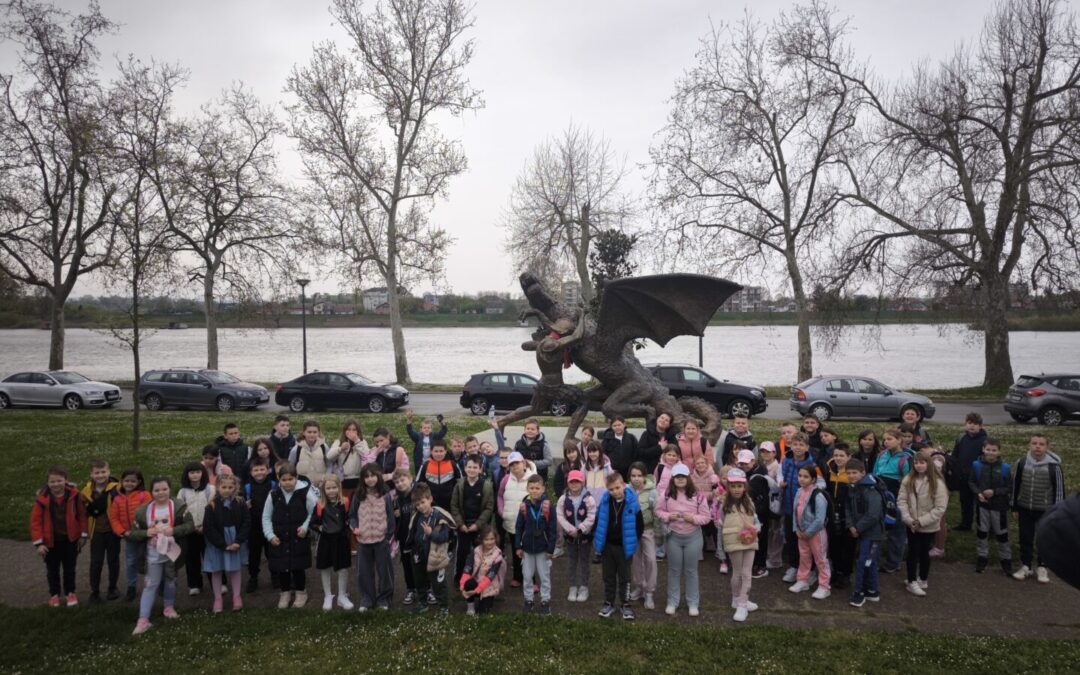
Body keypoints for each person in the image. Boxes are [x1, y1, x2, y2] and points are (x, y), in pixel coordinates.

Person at [130, 476, 195, 635]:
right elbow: (133, 533)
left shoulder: (179, 506)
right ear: (151, 492)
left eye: (164, 489)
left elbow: (190, 526)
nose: (161, 493)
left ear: (170, 489)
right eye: (157, 490)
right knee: (150, 584)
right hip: (152, 556)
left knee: (171, 581)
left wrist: (174, 531)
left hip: (172, 554)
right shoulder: (142, 511)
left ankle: (169, 607)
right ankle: (143, 619)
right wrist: (146, 532)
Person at [655, 464, 710, 617]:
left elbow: (706, 517)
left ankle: (693, 603)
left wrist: (693, 518)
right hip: (673, 537)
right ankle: (672, 601)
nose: (680, 479)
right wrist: (667, 516)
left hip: (693, 537)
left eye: (683, 476)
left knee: (691, 571)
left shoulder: (698, 496)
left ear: (688, 478)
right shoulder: (666, 495)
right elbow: (659, 511)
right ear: (673, 478)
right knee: (674, 570)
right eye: (677, 477)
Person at [1011, 434, 1066, 583]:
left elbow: (1059, 491)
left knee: (1044, 539)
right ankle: (1026, 566)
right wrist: (1014, 506)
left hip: (1045, 510)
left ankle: (1042, 566)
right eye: (1034, 443)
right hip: (1024, 508)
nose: (1037, 446)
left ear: (1047, 448)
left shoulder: (1054, 467)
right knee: (1025, 538)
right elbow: (1016, 485)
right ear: (1029, 445)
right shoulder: (1021, 463)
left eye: (1041, 444)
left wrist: (1057, 512)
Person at [262, 462, 317, 609]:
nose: (287, 483)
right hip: (279, 538)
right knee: (282, 567)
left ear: (296, 478)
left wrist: (305, 527)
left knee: (298, 567)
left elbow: (314, 512)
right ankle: (285, 592)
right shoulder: (273, 494)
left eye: (290, 479)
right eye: (284, 480)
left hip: (298, 537)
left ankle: (301, 592)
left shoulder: (305, 493)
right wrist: (270, 535)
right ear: (278, 479)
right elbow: (266, 517)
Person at [31, 466, 87, 607]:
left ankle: (70, 593)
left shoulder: (74, 496)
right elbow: (35, 522)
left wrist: (83, 534)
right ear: (48, 483)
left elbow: (82, 516)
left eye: (59, 481)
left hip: (70, 540)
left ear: (66, 481)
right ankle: (54, 594)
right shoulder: (42, 500)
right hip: (51, 542)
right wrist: (39, 543)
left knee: (69, 569)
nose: (56, 484)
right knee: (52, 570)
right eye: (52, 482)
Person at [594, 471, 643, 621]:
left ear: (623, 485)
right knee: (608, 577)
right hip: (608, 547)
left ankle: (625, 605)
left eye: (617, 487)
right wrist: (599, 544)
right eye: (611, 489)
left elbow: (639, 526)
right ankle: (609, 603)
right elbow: (599, 522)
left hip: (624, 548)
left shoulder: (632, 503)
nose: (615, 492)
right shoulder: (604, 502)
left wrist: (632, 542)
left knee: (625, 578)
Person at [898, 454, 949, 596]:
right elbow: (901, 501)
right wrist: (909, 519)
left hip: (928, 525)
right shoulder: (908, 480)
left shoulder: (937, 483)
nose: (919, 465)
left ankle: (923, 578)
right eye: (916, 463)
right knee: (913, 552)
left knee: (924, 552)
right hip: (912, 524)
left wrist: (922, 521)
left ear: (929, 464)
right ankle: (911, 580)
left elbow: (940, 508)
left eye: (922, 462)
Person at [349, 465, 395, 611]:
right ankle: (367, 599)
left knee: (385, 571)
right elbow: (352, 516)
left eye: (373, 475)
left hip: (381, 540)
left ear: (379, 476)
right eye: (366, 477)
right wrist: (355, 527)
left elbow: (391, 516)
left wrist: (388, 536)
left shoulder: (386, 494)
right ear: (362, 479)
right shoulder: (358, 495)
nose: (370, 479)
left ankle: (384, 599)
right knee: (364, 572)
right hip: (363, 541)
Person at [201, 474, 250, 613]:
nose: (227, 490)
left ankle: (236, 596)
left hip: (235, 541)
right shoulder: (211, 505)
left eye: (230, 487)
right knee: (216, 570)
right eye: (224, 487)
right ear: (217, 487)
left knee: (235, 569)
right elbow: (208, 527)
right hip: (218, 543)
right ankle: (217, 598)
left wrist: (238, 541)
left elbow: (246, 522)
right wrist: (222, 544)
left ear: (235, 487)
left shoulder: (240, 503)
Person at [405, 482, 456, 614]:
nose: (420, 507)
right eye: (417, 505)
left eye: (423, 502)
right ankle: (423, 604)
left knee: (439, 584)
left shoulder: (440, 517)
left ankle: (444, 607)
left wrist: (431, 533)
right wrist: (410, 548)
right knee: (420, 581)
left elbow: (444, 537)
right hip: (419, 555)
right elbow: (412, 534)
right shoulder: (416, 517)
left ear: (430, 499)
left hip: (435, 557)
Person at [719, 468, 760, 622]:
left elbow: (755, 520)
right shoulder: (723, 504)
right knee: (737, 572)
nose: (737, 489)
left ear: (745, 487)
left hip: (750, 540)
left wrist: (757, 528)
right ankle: (736, 598)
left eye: (740, 486)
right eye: (733, 486)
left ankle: (742, 603)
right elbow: (721, 525)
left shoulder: (749, 502)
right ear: (728, 487)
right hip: (734, 541)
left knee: (747, 572)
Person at [779, 432, 820, 583]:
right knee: (791, 539)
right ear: (791, 445)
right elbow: (780, 476)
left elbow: (819, 484)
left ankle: (811, 570)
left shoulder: (812, 465)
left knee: (807, 542)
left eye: (801, 445)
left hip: (805, 511)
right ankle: (794, 566)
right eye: (795, 444)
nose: (798, 447)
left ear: (807, 447)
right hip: (789, 507)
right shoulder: (786, 461)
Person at [515, 474, 557, 615]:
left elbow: (552, 529)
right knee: (527, 576)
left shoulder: (548, 506)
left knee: (544, 577)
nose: (534, 491)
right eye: (531, 488)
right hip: (526, 548)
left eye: (537, 488)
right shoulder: (524, 506)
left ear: (543, 489)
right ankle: (528, 600)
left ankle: (545, 601)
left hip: (543, 549)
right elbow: (518, 527)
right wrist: (518, 546)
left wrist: (551, 549)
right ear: (527, 489)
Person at [845, 459, 884, 607]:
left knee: (864, 562)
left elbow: (873, 514)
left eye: (854, 473)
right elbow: (848, 508)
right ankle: (872, 590)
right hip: (860, 532)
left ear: (863, 472)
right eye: (848, 473)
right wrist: (851, 525)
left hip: (873, 534)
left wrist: (857, 528)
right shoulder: (852, 488)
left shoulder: (871, 490)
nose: (851, 476)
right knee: (869, 561)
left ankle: (859, 592)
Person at [310, 473, 352, 611]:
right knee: (325, 567)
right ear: (323, 490)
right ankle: (328, 595)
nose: (331, 491)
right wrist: (320, 528)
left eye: (334, 487)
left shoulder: (345, 502)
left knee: (343, 568)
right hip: (326, 540)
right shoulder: (319, 504)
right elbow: (313, 522)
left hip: (341, 540)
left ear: (339, 488)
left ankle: (342, 596)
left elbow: (349, 518)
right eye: (328, 488)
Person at [970, 438, 1012, 574]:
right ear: (983, 449)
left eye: (994, 450)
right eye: (988, 450)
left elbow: (1009, 487)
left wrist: (994, 492)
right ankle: (982, 557)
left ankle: (1006, 560)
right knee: (982, 532)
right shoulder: (976, 465)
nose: (991, 453)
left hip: (1000, 507)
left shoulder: (1005, 468)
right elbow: (971, 482)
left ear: (999, 452)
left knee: (1002, 534)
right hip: (983, 506)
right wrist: (978, 493)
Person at [80, 459, 120, 603]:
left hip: (112, 531)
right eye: (97, 473)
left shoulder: (116, 489)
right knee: (96, 562)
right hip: (96, 532)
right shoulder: (86, 491)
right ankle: (94, 591)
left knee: (113, 560)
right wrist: (83, 533)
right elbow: (83, 512)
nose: (100, 475)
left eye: (103, 472)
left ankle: (112, 588)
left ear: (109, 472)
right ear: (91, 474)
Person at [873, 429, 912, 573]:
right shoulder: (882, 454)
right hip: (880, 495)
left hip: (896, 497)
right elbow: (875, 472)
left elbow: (908, 482)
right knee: (879, 528)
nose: (886, 442)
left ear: (899, 440)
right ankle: (875, 559)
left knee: (897, 531)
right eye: (884, 439)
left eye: (890, 439)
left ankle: (894, 562)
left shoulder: (906, 459)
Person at [451, 456, 494, 586]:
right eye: (469, 467)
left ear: (481, 469)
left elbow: (489, 507)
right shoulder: (459, 485)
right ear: (464, 468)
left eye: (475, 467)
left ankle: (479, 579)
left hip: (479, 526)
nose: (472, 469)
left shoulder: (486, 486)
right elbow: (454, 506)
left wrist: (478, 524)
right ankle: (459, 579)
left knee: (480, 554)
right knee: (461, 553)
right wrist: (460, 524)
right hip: (463, 526)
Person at [790, 466, 831, 600]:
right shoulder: (799, 491)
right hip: (801, 532)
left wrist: (808, 533)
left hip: (816, 533)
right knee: (804, 557)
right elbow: (795, 512)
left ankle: (824, 586)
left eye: (806, 476)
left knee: (820, 559)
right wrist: (797, 529)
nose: (802, 479)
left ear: (813, 479)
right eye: (800, 475)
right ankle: (803, 580)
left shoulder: (818, 495)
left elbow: (820, 519)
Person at [110, 468, 151, 601]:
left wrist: (146, 530)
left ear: (139, 482)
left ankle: (152, 584)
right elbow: (114, 518)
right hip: (129, 536)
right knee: (131, 561)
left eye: (133, 481)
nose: (129, 484)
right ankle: (131, 586)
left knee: (149, 560)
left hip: (145, 535)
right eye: (126, 481)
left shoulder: (144, 495)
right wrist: (122, 531)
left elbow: (150, 512)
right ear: (122, 482)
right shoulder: (117, 499)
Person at [557, 469, 597, 603]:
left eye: (577, 482)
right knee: (572, 561)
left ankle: (584, 587)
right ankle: (573, 586)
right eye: (571, 482)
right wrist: (570, 530)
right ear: (568, 483)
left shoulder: (588, 498)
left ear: (582, 483)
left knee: (585, 561)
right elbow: (560, 516)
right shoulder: (563, 498)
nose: (574, 484)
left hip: (585, 537)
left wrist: (580, 529)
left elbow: (591, 516)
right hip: (570, 537)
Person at [497, 451, 535, 589]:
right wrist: (502, 512)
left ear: (523, 462)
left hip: (528, 524)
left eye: (517, 463)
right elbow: (500, 496)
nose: (514, 466)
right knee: (515, 550)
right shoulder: (506, 479)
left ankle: (532, 580)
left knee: (529, 552)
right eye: (511, 464)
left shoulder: (533, 478)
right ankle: (517, 578)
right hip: (511, 522)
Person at [177, 461, 214, 596]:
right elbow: (182, 512)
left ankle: (218, 582)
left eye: (198, 472)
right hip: (190, 530)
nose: (195, 475)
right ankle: (194, 584)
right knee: (192, 558)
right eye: (192, 472)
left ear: (203, 473)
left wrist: (205, 525)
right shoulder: (183, 492)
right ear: (187, 475)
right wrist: (191, 526)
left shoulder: (210, 489)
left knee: (210, 556)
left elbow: (212, 510)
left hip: (207, 529)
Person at [628, 462, 658, 609]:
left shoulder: (652, 492)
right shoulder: (626, 490)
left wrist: (659, 534)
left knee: (651, 559)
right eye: (633, 476)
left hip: (648, 530)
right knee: (635, 560)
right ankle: (639, 587)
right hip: (632, 532)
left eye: (639, 475)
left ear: (645, 476)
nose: (636, 479)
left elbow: (656, 514)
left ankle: (649, 592)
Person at [243, 458, 276, 593]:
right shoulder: (247, 487)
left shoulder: (274, 485)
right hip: (254, 526)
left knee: (272, 553)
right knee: (254, 554)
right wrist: (246, 506)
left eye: (262, 469)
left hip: (270, 525)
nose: (259, 472)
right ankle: (253, 577)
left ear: (268, 470)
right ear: (251, 473)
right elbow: (242, 505)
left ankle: (275, 576)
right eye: (255, 470)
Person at [951, 412, 988, 531]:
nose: (972, 426)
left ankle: (983, 526)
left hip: (978, 478)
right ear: (965, 424)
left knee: (981, 503)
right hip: (963, 476)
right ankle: (966, 524)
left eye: (976, 424)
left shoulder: (985, 440)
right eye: (970, 423)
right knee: (965, 501)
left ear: (980, 426)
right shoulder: (961, 438)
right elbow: (955, 455)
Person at [824, 444, 854, 589]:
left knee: (848, 545)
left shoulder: (851, 472)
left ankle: (846, 573)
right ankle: (836, 571)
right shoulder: (829, 469)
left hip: (847, 514)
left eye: (842, 455)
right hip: (832, 512)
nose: (838, 458)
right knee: (834, 544)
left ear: (849, 457)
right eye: (836, 455)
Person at [459, 524, 505, 615]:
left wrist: (477, 590)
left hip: (489, 586)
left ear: (495, 539)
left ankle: (486, 601)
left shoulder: (498, 556)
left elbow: (490, 576)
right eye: (486, 539)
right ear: (482, 540)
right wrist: (462, 586)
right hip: (476, 582)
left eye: (492, 539)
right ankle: (470, 606)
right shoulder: (475, 551)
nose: (490, 542)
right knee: (468, 583)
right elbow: (467, 568)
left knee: (483, 614)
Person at [391, 468, 418, 605]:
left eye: (403, 480)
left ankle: (427, 589)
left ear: (410, 479)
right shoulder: (396, 499)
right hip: (404, 537)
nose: (400, 484)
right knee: (407, 564)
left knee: (421, 563)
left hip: (418, 537)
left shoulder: (418, 494)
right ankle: (411, 589)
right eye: (397, 482)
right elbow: (394, 520)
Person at [757, 442, 784, 570]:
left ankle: (775, 558)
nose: (765, 454)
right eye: (762, 451)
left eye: (768, 451)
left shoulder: (778, 467)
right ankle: (768, 554)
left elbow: (779, 486)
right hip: (764, 503)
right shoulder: (761, 466)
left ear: (774, 452)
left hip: (774, 503)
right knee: (767, 530)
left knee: (775, 531)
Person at [417, 439, 461, 512]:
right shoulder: (425, 465)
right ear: (431, 451)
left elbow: (460, 482)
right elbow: (418, 484)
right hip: (432, 503)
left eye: (441, 451)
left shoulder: (453, 464)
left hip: (450, 503)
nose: (438, 454)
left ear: (445, 451)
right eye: (436, 451)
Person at [327, 419, 367, 495]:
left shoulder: (362, 442)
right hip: (343, 479)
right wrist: (340, 449)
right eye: (348, 429)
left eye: (354, 429)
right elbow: (329, 456)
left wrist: (357, 441)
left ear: (358, 431)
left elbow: (367, 456)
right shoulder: (338, 442)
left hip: (358, 479)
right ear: (344, 431)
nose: (351, 432)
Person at [289, 419, 331, 490]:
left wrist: (326, 478)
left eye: (315, 432)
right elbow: (290, 468)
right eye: (309, 432)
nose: (312, 434)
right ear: (304, 433)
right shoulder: (296, 449)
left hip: (320, 487)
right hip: (302, 487)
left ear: (318, 433)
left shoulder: (324, 447)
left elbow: (330, 465)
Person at [514, 418, 554, 482]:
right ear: (524, 430)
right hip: (521, 476)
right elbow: (514, 458)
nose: (530, 431)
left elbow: (549, 461)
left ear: (538, 431)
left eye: (533, 429)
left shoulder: (543, 445)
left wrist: (532, 463)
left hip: (538, 477)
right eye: (528, 429)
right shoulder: (518, 444)